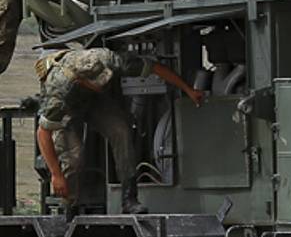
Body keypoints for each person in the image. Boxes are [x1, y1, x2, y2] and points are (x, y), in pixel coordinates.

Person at [36, 47, 204, 214]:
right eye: (96, 83)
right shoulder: (58, 92)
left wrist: (187, 89)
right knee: (74, 158)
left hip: (93, 100)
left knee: (121, 131)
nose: (102, 84)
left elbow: (154, 68)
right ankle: (69, 209)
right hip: (69, 107)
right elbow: (43, 134)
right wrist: (56, 174)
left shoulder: (110, 60)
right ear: (81, 80)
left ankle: (129, 199)